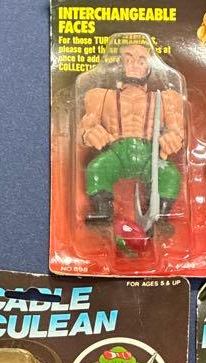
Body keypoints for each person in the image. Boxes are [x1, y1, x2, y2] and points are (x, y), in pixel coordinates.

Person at [79, 39, 185, 227]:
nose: (135, 65)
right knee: (96, 168)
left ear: (149, 67)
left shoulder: (166, 98)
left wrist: (173, 139)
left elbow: (178, 130)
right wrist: (89, 134)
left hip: (149, 155)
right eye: (128, 60)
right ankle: (103, 213)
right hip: (116, 152)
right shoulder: (100, 96)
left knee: (170, 174)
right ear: (120, 65)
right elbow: (84, 127)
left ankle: (160, 217)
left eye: (141, 61)